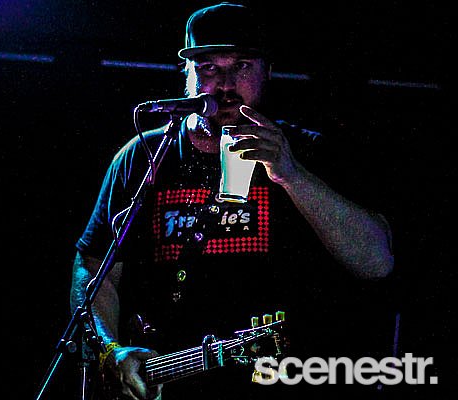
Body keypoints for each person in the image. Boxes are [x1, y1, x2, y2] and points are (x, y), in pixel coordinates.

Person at [70, 3, 394, 399]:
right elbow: (93, 269)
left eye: (241, 66)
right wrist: (110, 350)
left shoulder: (308, 152)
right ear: (186, 73)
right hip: (165, 381)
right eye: (208, 67)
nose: (225, 84)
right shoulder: (143, 156)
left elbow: (377, 262)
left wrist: (291, 175)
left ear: (267, 71)